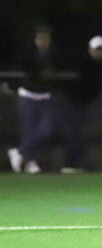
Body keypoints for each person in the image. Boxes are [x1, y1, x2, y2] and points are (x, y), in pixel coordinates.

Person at [60, 35, 102, 173]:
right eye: (96, 49)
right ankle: (70, 164)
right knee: (74, 132)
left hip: (87, 102)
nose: (99, 52)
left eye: (101, 50)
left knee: (82, 133)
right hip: (72, 101)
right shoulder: (82, 63)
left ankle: (78, 163)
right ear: (90, 50)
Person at [7, 25, 56, 174]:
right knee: (29, 131)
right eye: (40, 38)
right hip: (28, 95)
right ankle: (30, 161)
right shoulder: (28, 54)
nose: (43, 41)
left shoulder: (52, 54)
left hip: (44, 96)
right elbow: (24, 69)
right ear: (35, 39)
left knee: (46, 129)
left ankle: (19, 152)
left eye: (45, 38)